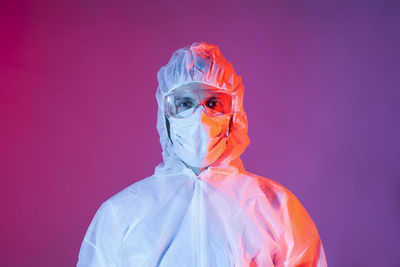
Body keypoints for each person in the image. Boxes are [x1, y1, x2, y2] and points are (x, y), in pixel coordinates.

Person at [77, 42, 327, 267]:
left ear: (234, 114)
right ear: (164, 114)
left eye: (213, 103)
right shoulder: (122, 213)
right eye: (185, 104)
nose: (200, 116)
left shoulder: (276, 208)